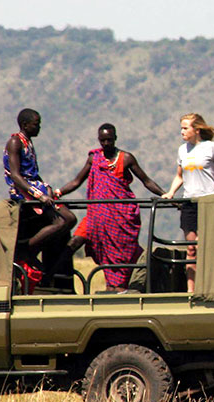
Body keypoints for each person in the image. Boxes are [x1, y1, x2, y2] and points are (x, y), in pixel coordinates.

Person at [57, 123, 166, 292]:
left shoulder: (126, 158)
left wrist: (165, 195)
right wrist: (58, 193)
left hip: (120, 217)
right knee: (74, 243)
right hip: (97, 216)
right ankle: (56, 282)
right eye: (102, 141)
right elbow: (77, 181)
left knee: (123, 254)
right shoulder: (94, 158)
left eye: (109, 140)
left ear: (115, 138)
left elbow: (146, 181)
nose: (106, 144)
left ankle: (118, 288)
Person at [4, 108, 77, 291]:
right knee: (66, 218)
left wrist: (47, 189)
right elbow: (16, 175)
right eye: (36, 124)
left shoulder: (28, 143)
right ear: (25, 125)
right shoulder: (15, 142)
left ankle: (33, 250)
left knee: (70, 219)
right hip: (24, 191)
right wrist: (39, 195)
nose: (39, 127)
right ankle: (27, 249)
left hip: (36, 187)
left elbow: (33, 173)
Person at [161, 113, 214, 292]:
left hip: (209, 202)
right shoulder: (182, 150)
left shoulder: (211, 148)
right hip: (189, 203)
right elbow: (179, 176)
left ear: (196, 129)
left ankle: (211, 287)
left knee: (206, 246)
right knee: (191, 248)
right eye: (181, 128)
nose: (182, 132)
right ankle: (191, 291)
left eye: (185, 128)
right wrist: (170, 192)